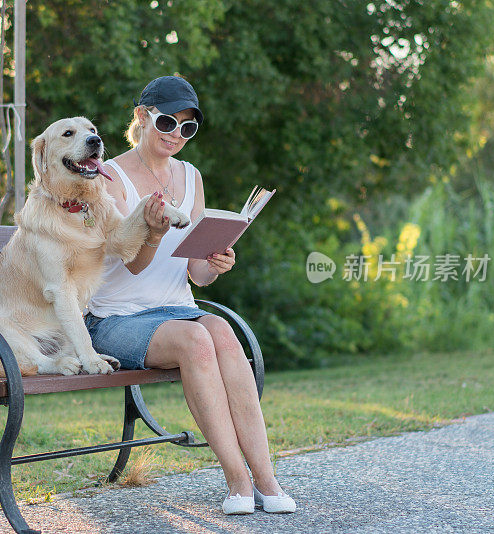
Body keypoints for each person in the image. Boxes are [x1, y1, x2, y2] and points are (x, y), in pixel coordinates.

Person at [84, 75, 297, 515]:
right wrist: (153, 232)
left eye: (187, 128)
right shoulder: (111, 177)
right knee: (198, 339)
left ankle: (267, 480)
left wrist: (217, 260)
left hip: (176, 308)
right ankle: (237, 482)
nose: (176, 135)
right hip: (113, 320)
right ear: (142, 117)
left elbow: (197, 275)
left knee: (221, 329)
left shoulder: (191, 176)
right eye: (167, 122)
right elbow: (134, 263)